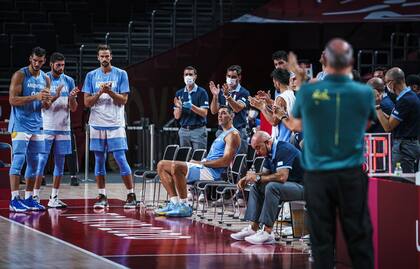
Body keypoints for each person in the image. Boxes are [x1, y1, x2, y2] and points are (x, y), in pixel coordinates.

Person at [291, 38, 374, 269]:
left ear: (324, 60)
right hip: (350, 173)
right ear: (352, 61)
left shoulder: (308, 91)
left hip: (318, 175)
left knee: (321, 239)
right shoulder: (363, 93)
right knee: (359, 235)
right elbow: (367, 123)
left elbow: (298, 123)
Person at [154, 106, 241, 217]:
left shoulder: (233, 135)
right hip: (205, 168)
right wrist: (201, 163)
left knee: (176, 166)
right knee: (161, 165)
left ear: (231, 116)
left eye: (224, 113)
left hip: (212, 173)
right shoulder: (222, 134)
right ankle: (175, 203)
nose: (220, 115)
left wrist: (201, 163)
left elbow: (225, 162)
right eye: (219, 113)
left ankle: (185, 206)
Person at [82, 44, 137, 209]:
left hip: (115, 124)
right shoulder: (91, 76)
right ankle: (102, 195)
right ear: (98, 58)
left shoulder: (121, 74)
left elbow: (124, 100)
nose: (104, 59)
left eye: (107, 56)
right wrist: (100, 92)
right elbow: (86, 103)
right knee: (99, 160)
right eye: (102, 56)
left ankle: (131, 194)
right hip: (97, 124)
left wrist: (109, 92)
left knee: (120, 158)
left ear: (111, 57)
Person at [231, 131, 304, 244]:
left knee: (272, 187)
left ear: (268, 143)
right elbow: (264, 174)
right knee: (256, 186)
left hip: (304, 187)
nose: (257, 152)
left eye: (258, 148)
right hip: (289, 186)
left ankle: (268, 232)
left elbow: (282, 177)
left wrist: (259, 178)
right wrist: (248, 178)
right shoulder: (269, 153)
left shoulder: (284, 149)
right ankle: (253, 228)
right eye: (255, 149)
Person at [8, 47, 51, 212]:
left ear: (44, 61)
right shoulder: (20, 75)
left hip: (37, 124)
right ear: (30, 59)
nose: (37, 64)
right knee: (19, 159)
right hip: (20, 124)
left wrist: (47, 100)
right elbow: (12, 100)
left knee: (35, 162)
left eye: (40, 61)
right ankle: (14, 199)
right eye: (35, 60)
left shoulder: (46, 79)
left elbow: (45, 104)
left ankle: (29, 198)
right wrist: (35, 96)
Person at [33, 52, 79, 208]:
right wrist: (56, 94)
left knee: (60, 163)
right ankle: (35, 197)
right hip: (46, 127)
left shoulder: (69, 81)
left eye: (63, 65)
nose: (61, 68)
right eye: (58, 65)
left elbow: (73, 109)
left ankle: (54, 198)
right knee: (41, 162)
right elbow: (43, 105)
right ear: (51, 64)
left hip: (63, 128)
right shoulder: (43, 79)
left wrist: (72, 98)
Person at [376, 67, 420, 173]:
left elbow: (388, 127)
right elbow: (392, 120)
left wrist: (377, 106)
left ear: (392, 83)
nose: (386, 86)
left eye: (386, 83)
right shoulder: (408, 96)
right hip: (408, 145)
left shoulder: (406, 100)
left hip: (404, 148)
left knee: (402, 183)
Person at [209, 65, 250, 153]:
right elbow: (213, 111)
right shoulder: (221, 91)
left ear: (239, 77)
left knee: (238, 161)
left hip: (238, 131)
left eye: (233, 77)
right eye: (229, 76)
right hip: (222, 131)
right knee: (219, 158)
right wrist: (215, 96)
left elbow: (237, 108)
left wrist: (228, 96)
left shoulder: (244, 92)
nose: (230, 79)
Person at [249, 68, 295, 142]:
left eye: (274, 82)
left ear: (277, 82)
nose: (274, 84)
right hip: (290, 138)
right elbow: (278, 116)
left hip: (283, 140)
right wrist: (267, 104)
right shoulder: (291, 94)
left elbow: (274, 121)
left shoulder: (280, 98)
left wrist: (262, 107)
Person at [174, 66, 209, 150]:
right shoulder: (179, 93)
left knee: (198, 158)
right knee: (184, 159)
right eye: (186, 74)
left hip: (198, 130)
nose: (188, 76)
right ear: (183, 76)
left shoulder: (202, 92)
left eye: (190, 74)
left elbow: (204, 113)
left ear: (195, 76)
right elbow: (176, 116)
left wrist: (191, 106)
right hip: (184, 130)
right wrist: (179, 107)